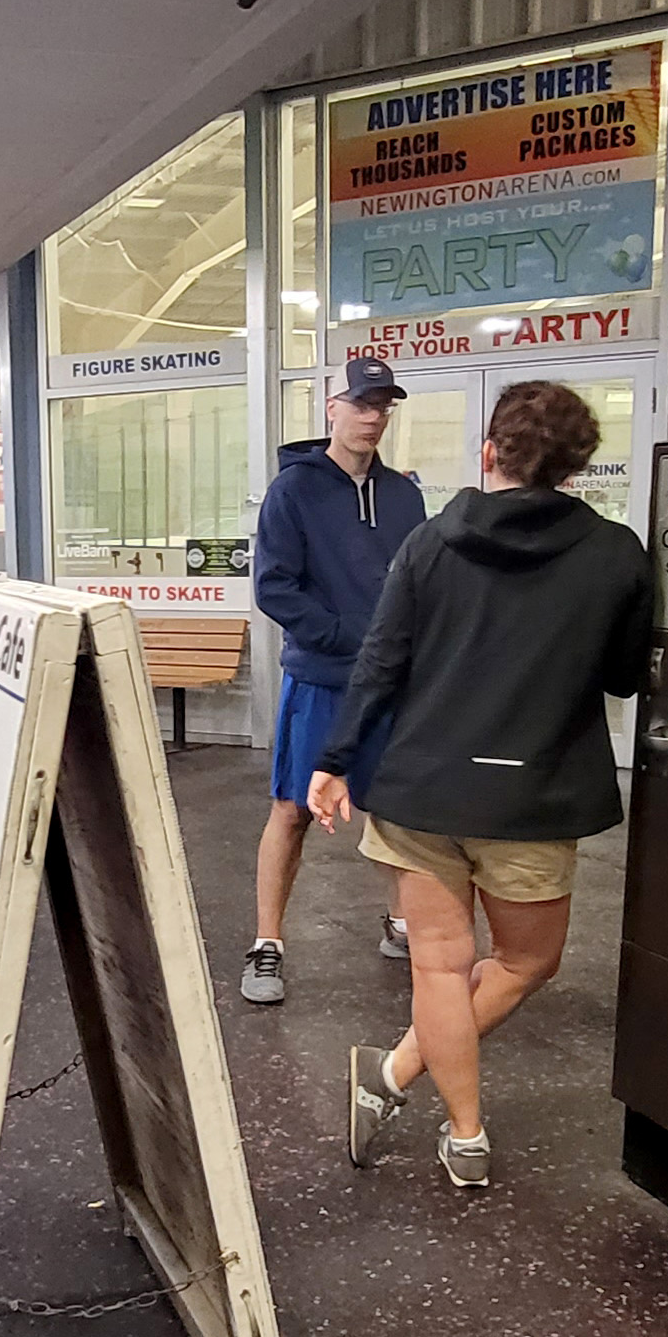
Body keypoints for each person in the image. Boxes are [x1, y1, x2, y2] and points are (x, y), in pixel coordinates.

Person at [317, 381, 651, 1188]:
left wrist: (333, 760)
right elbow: (624, 675)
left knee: (437, 963)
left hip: (421, 789)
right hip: (532, 796)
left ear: (490, 453)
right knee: (526, 961)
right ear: (578, 468)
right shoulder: (616, 554)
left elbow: (382, 662)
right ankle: (397, 1079)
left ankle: (457, 1130)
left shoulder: (430, 542)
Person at [243, 357, 427, 1006]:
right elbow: (274, 588)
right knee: (292, 810)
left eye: (383, 405)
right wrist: (350, 636)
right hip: (321, 679)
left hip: (392, 687)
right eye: (361, 403)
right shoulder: (293, 490)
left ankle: (402, 923)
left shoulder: (406, 495)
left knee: (396, 814)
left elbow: (418, 583)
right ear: (332, 406)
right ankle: (268, 944)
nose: (373, 416)